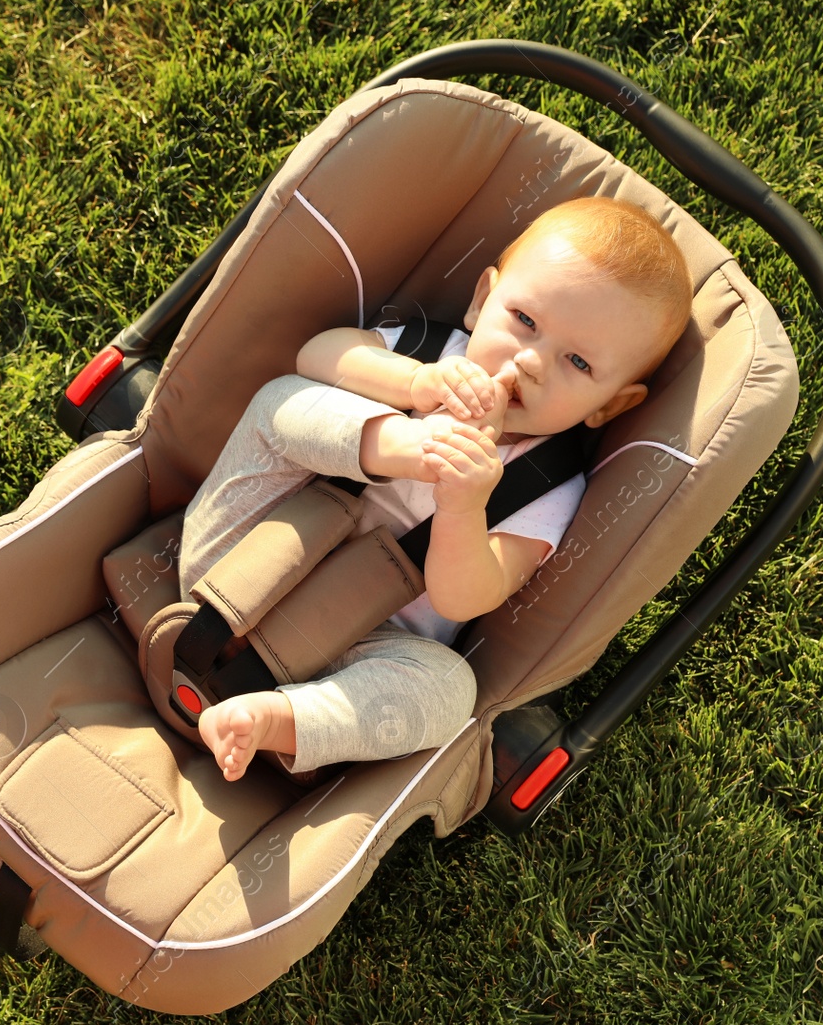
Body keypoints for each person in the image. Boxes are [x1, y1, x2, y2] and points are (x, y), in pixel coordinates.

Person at [179, 197, 693, 781]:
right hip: (230, 560)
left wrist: (464, 506)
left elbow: (466, 599)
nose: (530, 363)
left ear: (610, 406)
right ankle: (401, 447)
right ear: (482, 300)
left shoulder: (549, 485)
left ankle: (285, 718)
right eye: (524, 321)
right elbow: (317, 355)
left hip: (352, 652)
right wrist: (414, 388)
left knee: (452, 689)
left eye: (577, 361)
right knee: (283, 401)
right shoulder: (427, 354)